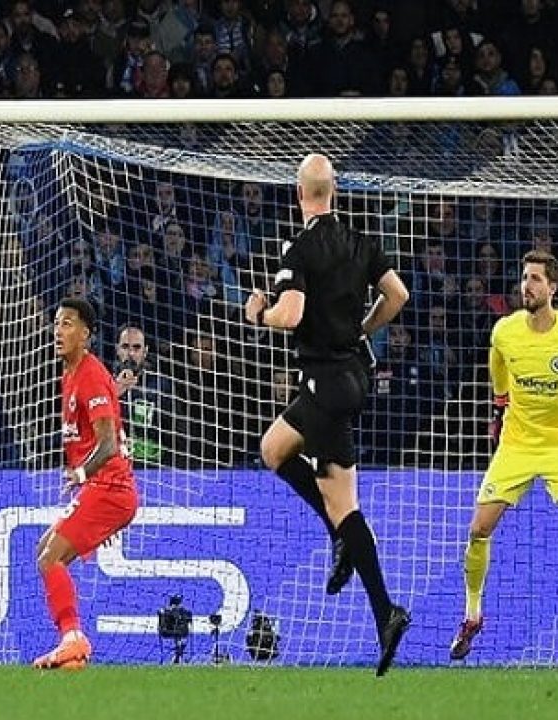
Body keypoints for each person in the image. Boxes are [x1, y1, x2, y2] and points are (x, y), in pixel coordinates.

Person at [244, 153, 410, 676]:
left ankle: (376, 597)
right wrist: (364, 327)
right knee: (293, 464)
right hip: (353, 377)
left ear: (300, 194)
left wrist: (259, 314)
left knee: (325, 492)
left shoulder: (300, 247)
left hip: (324, 384)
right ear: (333, 191)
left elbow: (290, 314)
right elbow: (398, 295)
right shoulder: (361, 241)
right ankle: (377, 597)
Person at [451, 249, 558, 664]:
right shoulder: (505, 331)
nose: (526, 286)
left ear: (553, 288)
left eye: (535, 279)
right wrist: (500, 403)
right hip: (517, 444)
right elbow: (497, 358)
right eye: (524, 277)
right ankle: (472, 615)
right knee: (478, 529)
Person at [32, 298, 138, 671]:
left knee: (50, 558)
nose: (58, 331)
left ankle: (73, 639)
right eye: (56, 324)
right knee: (46, 552)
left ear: (86, 334)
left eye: (67, 324)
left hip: (110, 487)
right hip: (101, 489)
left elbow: (108, 445)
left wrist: (80, 475)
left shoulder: (90, 374)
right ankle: (72, 650)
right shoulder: (72, 374)